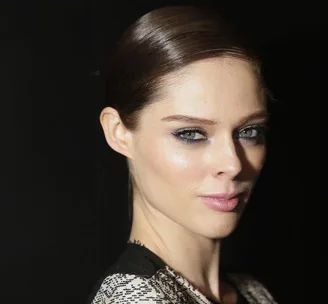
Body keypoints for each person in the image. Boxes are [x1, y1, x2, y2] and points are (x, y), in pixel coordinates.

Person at [88, 5, 277, 304]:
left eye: (249, 132)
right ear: (118, 132)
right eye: (190, 134)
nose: (232, 164)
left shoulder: (251, 292)